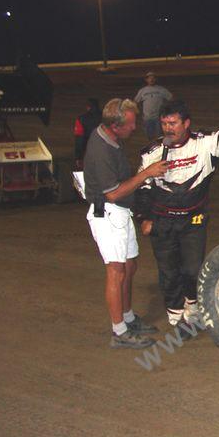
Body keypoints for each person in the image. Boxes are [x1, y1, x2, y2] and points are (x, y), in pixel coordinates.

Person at [135, 81, 219, 336]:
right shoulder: (152, 152)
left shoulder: (205, 144)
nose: (168, 129)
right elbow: (142, 189)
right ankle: (176, 317)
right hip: (162, 222)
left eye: (173, 124)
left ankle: (193, 308)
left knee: (191, 269)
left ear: (186, 123)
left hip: (193, 220)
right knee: (169, 272)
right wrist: (144, 218)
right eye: (165, 124)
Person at [84, 99, 169, 349]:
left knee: (130, 266)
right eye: (131, 124)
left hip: (120, 213)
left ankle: (128, 317)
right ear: (114, 126)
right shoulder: (102, 149)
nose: (135, 128)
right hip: (108, 213)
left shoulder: (109, 138)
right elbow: (112, 193)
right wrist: (146, 174)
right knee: (116, 271)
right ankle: (119, 331)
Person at [134, 71, 172, 140]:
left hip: (158, 117)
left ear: (155, 79)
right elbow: (135, 102)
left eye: (153, 78)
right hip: (147, 118)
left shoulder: (161, 89)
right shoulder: (142, 91)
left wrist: (167, 110)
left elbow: (170, 98)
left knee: (159, 136)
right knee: (149, 137)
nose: (151, 80)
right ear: (146, 80)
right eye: (149, 78)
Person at [74, 98, 101, 170]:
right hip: (106, 151)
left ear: (88, 107)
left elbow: (79, 139)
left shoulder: (81, 119)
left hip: (89, 152)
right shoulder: (106, 118)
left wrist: (78, 157)